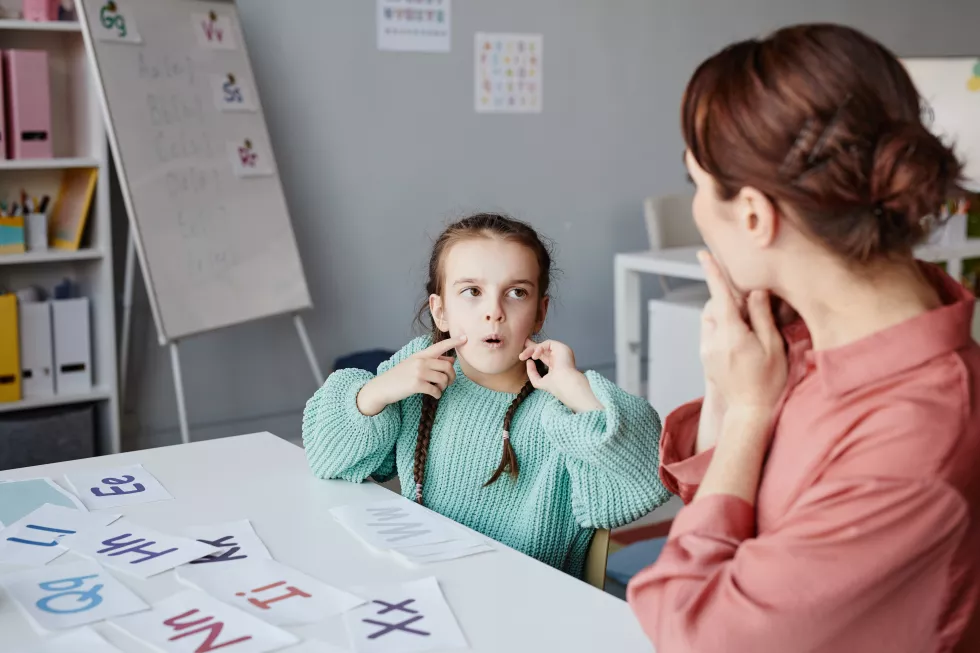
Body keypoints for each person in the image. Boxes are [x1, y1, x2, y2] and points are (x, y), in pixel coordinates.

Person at [627, 23, 980, 652]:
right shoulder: (804, 333)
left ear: (757, 216)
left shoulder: (913, 437)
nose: (700, 211)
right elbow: (715, 500)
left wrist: (747, 415)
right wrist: (726, 386)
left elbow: (693, 627)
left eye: (697, 186)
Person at [303, 213, 670, 578]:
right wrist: (377, 391)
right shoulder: (423, 370)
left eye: (516, 293)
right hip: (427, 586)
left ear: (539, 314)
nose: (494, 312)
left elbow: (648, 478)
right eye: (472, 292)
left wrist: (580, 394)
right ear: (440, 311)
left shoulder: (560, 405)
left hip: (526, 605)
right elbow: (327, 459)